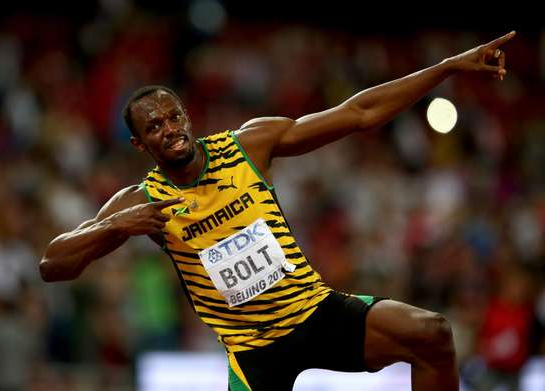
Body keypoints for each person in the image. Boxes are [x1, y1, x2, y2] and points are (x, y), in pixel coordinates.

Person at [40, 31, 516, 391]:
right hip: (253, 351)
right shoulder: (140, 198)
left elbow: (359, 113)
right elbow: (53, 264)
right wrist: (115, 227)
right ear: (139, 143)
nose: (170, 129)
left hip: (313, 312)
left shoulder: (248, 145)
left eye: (174, 116)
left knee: (431, 333)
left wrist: (447, 68)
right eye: (155, 127)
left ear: (187, 115)